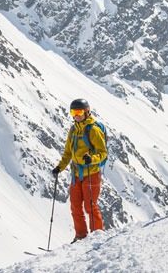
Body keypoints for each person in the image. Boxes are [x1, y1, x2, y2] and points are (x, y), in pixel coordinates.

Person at [51, 98, 108, 242]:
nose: (76, 115)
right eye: (73, 112)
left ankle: (97, 236)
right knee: (75, 207)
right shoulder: (73, 129)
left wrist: (92, 159)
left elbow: (103, 153)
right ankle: (80, 236)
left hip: (91, 173)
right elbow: (68, 153)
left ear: (87, 112)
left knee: (90, 206)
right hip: (76, 175)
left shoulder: (93, 130)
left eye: (79, 112)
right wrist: (60, 167)